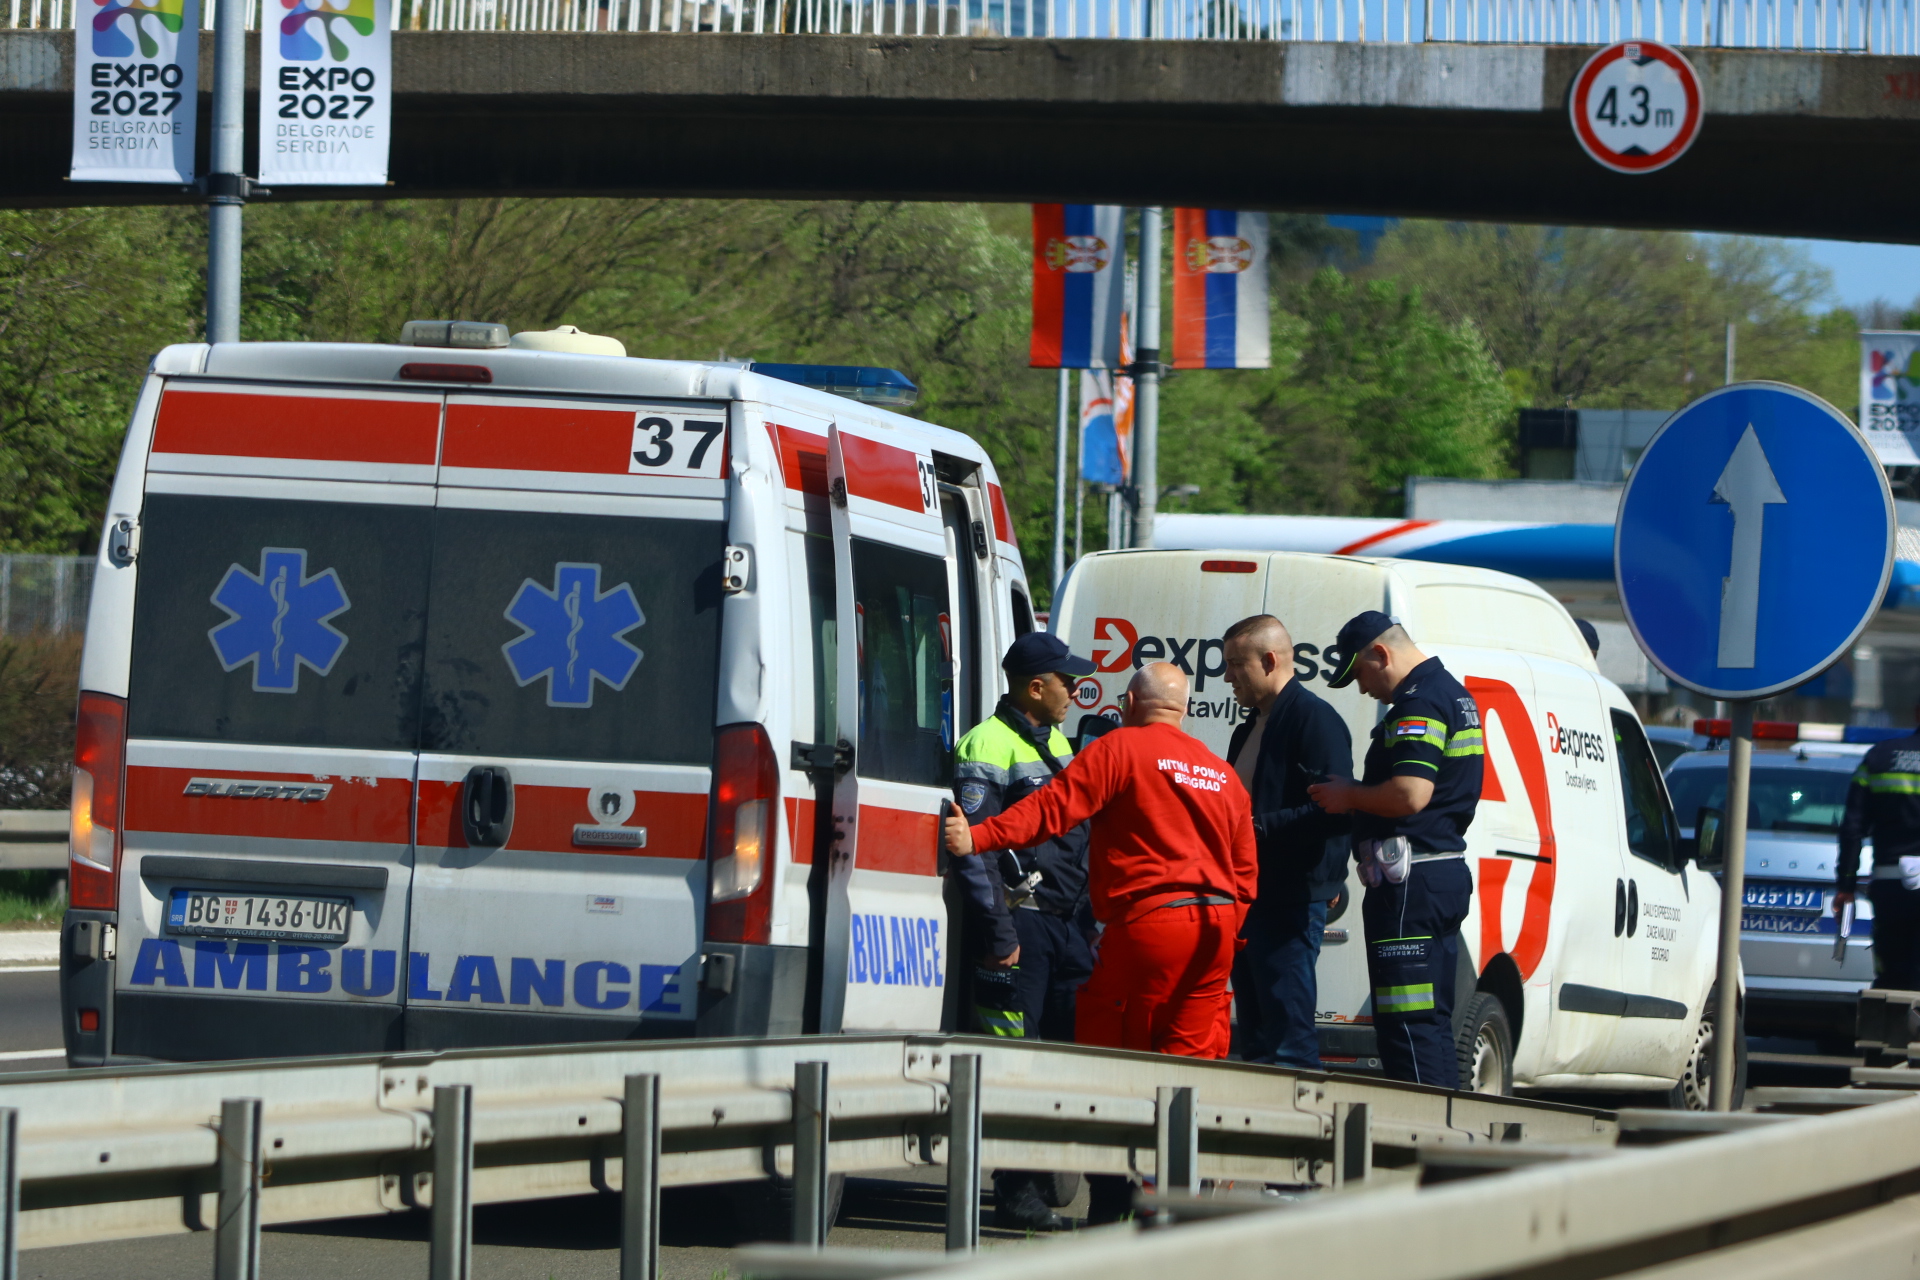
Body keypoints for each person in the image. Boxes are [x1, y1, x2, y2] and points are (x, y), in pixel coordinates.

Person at [946, 661, 1257, 1224]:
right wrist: (1227, 934)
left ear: (1131, 705)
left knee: (1107, 1056)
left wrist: (980, 835)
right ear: (1183, 709)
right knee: (1184, 1071)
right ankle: (1170, 1207)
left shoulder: (1121, 749)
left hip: (1150, 926)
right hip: (1215, 934)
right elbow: (1245, 870)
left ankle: (1116, 1204)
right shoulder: (1220, 773)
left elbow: (1051, 810)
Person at [950, 631, 1097, 1232]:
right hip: (1022, 923)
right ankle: (1015, 1191)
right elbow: (974, 850)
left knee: (1068, 1055)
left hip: (1067, 926)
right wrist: (999, 931)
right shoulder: (985, 744)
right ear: (1036, 687)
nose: (1077, 690)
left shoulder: (1059, 739)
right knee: (1017, 1058)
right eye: (1068, 681)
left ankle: (1042, 1177)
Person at [1309, 612, 1482, 1089]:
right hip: (1436, 876)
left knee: (1406, 1027)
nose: (1363, 689)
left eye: (1361, 674)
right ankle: (1451, 1139)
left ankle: (1424, 1143)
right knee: (1430, 1023)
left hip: (1410, 885)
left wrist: (1349, 795)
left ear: (1380, 654)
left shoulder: (1419, 702)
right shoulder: (1454, 694)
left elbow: (1410, 794)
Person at [1221, 614, 1353, 1071]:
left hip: (1291, 899)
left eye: (1237, 663)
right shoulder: (1250, 726)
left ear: (1271, 660)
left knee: (1289, 1043)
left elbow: (1332, 811)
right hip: (1249, 895)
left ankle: (1301, 1133)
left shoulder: (1314, 720)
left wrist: (1256, 829)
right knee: (1256, 1037)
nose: (1227, 675)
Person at [1834, 729, 1920, 990]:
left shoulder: (1879, 757)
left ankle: (1890, 1027)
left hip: (1891, 887)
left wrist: (1846, 886)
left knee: (1892, 975)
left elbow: (1853, 828)